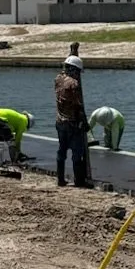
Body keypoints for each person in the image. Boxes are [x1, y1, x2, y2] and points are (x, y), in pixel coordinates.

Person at [53, 54, 90, 187]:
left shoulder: (58, 79)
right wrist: (84, 123)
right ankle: (79, 181)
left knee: (61, 150)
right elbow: (78, 105)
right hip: (72, 123)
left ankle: (60, 179)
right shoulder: (74, 83)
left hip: (59, 121)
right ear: (75, 70)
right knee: (77, 152)